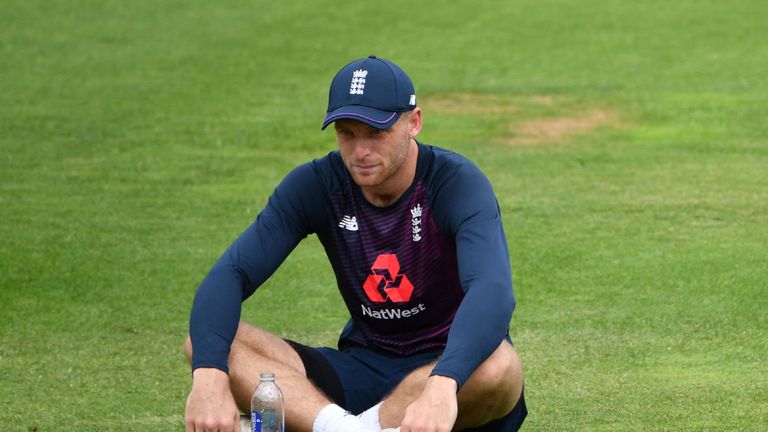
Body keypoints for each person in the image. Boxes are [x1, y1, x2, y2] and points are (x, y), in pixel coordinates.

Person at [184, 55, 527, 432]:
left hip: (449, 368)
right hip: (359, 369)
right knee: (209, 343)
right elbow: (232, 274)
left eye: (375, 132)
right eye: (347, 133)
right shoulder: (316, 184)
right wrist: (208, 378)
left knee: (501, 367)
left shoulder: (456, 183)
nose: (360, 151)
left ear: (414, 122)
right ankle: (348, 428)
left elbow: (492, 291)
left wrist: (443, 383)